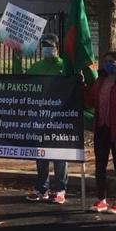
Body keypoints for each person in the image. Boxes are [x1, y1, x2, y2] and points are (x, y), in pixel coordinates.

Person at [85, 50, 116, 215]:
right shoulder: (100, 81)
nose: (108, 64)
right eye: (105, 61)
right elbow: (90, 100)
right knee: (100, 165)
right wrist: (80, 85)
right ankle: (101, 199)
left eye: (112, 61)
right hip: (102, 128)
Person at [25, 33, 70, 204]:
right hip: (40, 116)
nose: (46, 48)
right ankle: (42, 188)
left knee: (60, 154)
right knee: (41, 153)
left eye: (49, 45)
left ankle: (60, 189)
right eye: (43, 45)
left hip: (60, 117)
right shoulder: (36, 67)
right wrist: (16, 60)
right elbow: (20, 83)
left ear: (57, 47)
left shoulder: (65, 66)